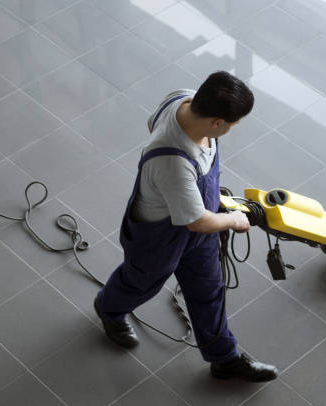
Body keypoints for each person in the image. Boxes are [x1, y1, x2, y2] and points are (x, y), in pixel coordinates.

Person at [94, 71, 278, 382]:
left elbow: (151, 121)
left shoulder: (184, 98)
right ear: (217, 123)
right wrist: (234, 220)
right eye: (232, 125)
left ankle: (224, 358)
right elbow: (198, 222)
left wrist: (196, 198)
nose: (231, 130)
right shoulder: (173, 162)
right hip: (159, 234)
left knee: (208, 289)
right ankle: (109, 309)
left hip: (195, 223)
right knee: (140, 282)